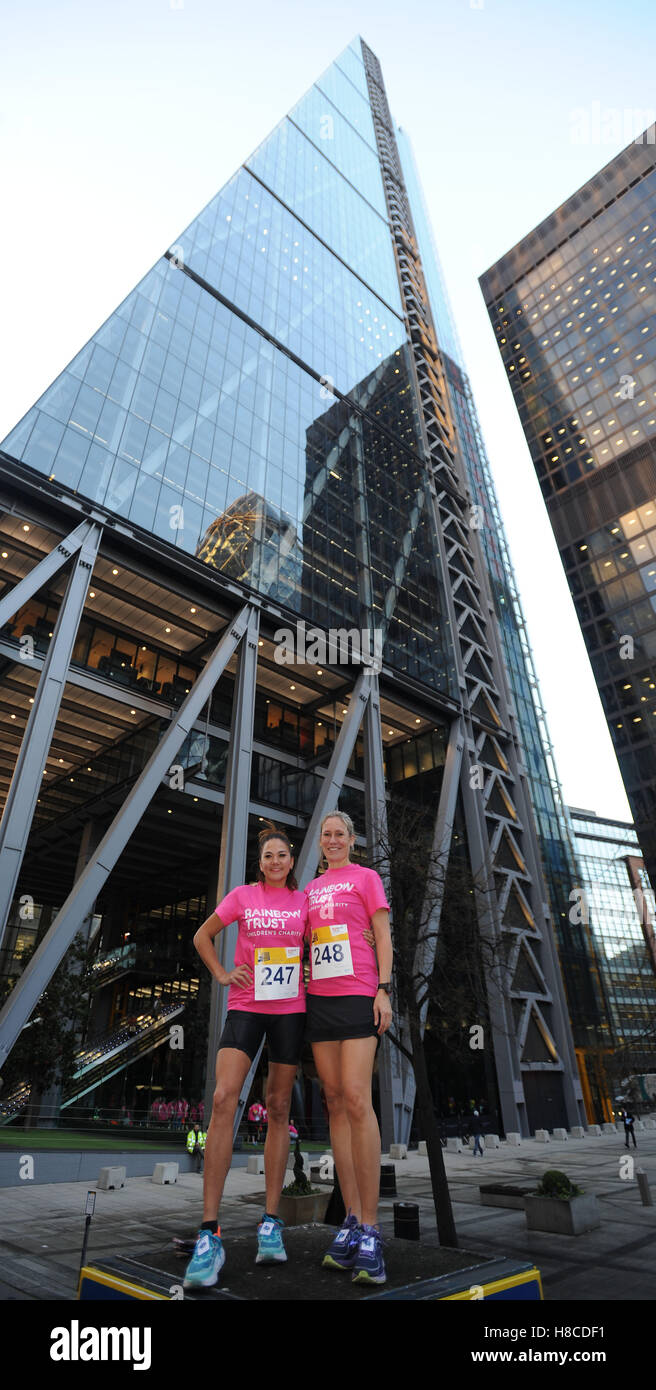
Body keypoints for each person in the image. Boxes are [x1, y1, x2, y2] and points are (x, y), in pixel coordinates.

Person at [183, 825, 308, 1290]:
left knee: (278, 1107)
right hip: (246, 1007)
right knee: (223, 1099)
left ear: (291, 861)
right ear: (261, 862)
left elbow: (315, 948)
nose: (275, 861)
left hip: (290, 1011)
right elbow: (202, 936)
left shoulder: (304, 903)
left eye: (282, 855)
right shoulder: (241, 896)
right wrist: (221, 974)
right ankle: (209, 1232)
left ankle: (271, 1223)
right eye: (268, 855)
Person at [304, 810, 393, 1285]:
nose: (333, 840)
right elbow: (299, 939)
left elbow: (382, 934)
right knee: (334, 1101)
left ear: (352, 840)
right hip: (319, 1002)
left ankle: (374, 1229)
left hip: (359, 993)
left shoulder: (366, 878)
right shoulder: (311, 890)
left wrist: (384, 988)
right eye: (327, 835)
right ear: (320, 842)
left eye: (340, 834)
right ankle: (353, 1219)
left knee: (358, 1098)